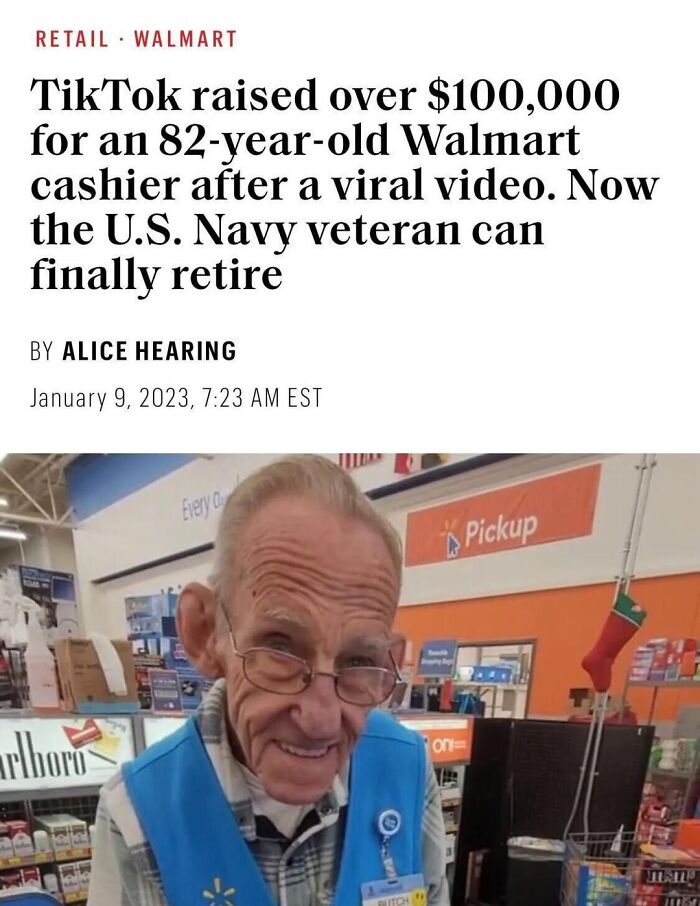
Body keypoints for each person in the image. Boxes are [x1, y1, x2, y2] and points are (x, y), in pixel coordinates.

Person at [88, 455, 449, 906]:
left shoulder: (408, 772)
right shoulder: (138, 813)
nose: (320, 720)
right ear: (205, 634)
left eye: (358, 659)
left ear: (389, 662)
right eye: (279, 647)